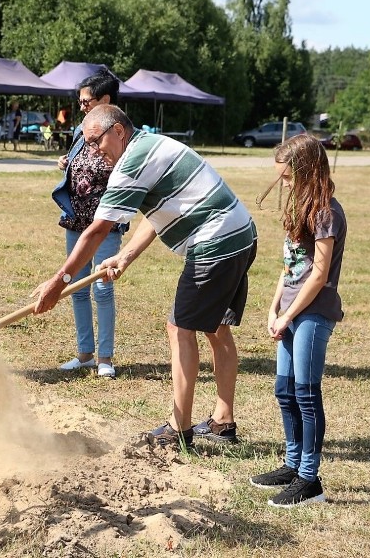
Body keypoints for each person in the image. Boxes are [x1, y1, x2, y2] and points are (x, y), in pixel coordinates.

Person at [34, 104, 258, 449]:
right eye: (87, 144)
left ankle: (178, 428)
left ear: (118, 131)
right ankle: (222, 421)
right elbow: (157, 213)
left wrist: (59, 281)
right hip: (240, 234)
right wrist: (125, 255)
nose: (92, 152)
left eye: (95, 142)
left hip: (215, 243)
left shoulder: (131, 163)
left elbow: (97, 230)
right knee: (216, 328)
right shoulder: (151, 145)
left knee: (180, 328)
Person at [248, 135, 346, 508]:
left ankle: (310, 479)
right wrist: (274, 309)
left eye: (288, 177)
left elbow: (318, 275)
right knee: (284, 391)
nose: (284, 184)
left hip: (313, 314)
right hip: (289, 314)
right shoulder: (302, 209)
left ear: (307, 172)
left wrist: (290, 314)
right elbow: (289, 268)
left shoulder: (327, 213)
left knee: (306, 394)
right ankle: (291, 465)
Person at [51, 70, 125, 378]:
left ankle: (104, 358)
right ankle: (84, 354)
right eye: (80, 101)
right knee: (74, 287)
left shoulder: (119, 136)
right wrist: (66, 164)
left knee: (102, 288)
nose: (81, 106)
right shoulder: (82, 131)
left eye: (86, 101)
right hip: (76, 220)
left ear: (105, 100)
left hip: (105, 223)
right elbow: (79, 161)